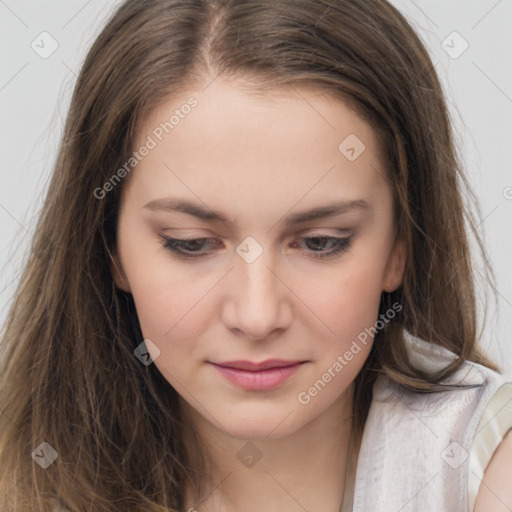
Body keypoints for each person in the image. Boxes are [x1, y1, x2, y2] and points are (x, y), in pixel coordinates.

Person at [0, 0, 511, 511]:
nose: (257, 315)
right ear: (109, 247)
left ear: (401, 245)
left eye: (321, 243)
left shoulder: (484, 466)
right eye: (191, 243)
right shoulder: (21, 475)